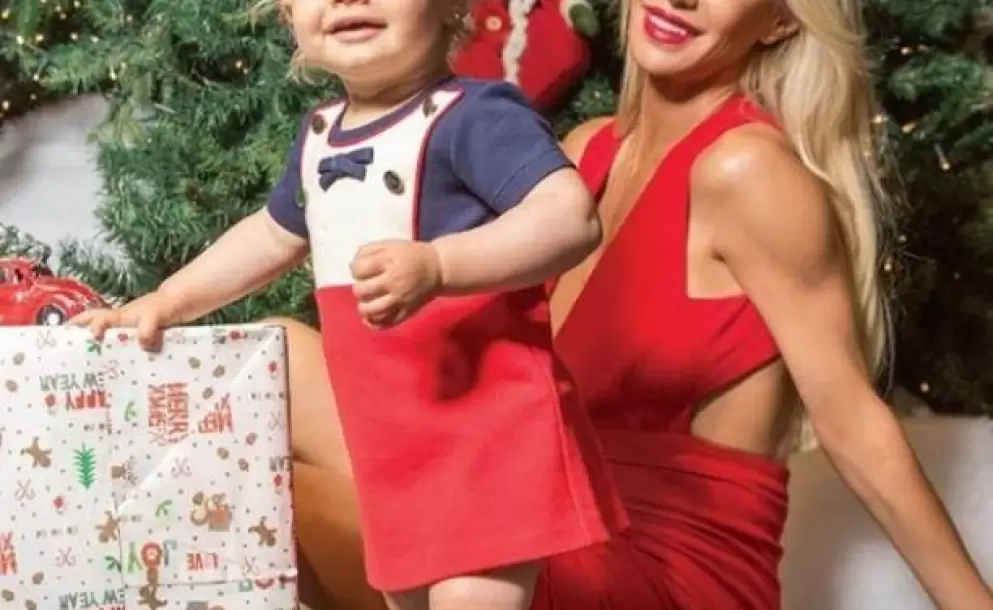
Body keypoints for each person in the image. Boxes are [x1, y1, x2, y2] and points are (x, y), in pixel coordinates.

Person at [276, 0, 993, 608]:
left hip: (661, 569)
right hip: (538, 508)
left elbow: (852, 422)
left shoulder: (747, 169)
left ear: (779, 20)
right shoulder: (585, 155)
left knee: (283, 500)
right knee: (278, 360)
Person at [70, 0, 631, 608]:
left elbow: (569, 218)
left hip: (486, 435)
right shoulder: (319, 134)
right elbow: (270, 236)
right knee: (405, 596)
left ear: (451, 8)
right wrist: (170, 299)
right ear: (288, 17)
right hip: (391, 442)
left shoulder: (475, 116)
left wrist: (441, 265)